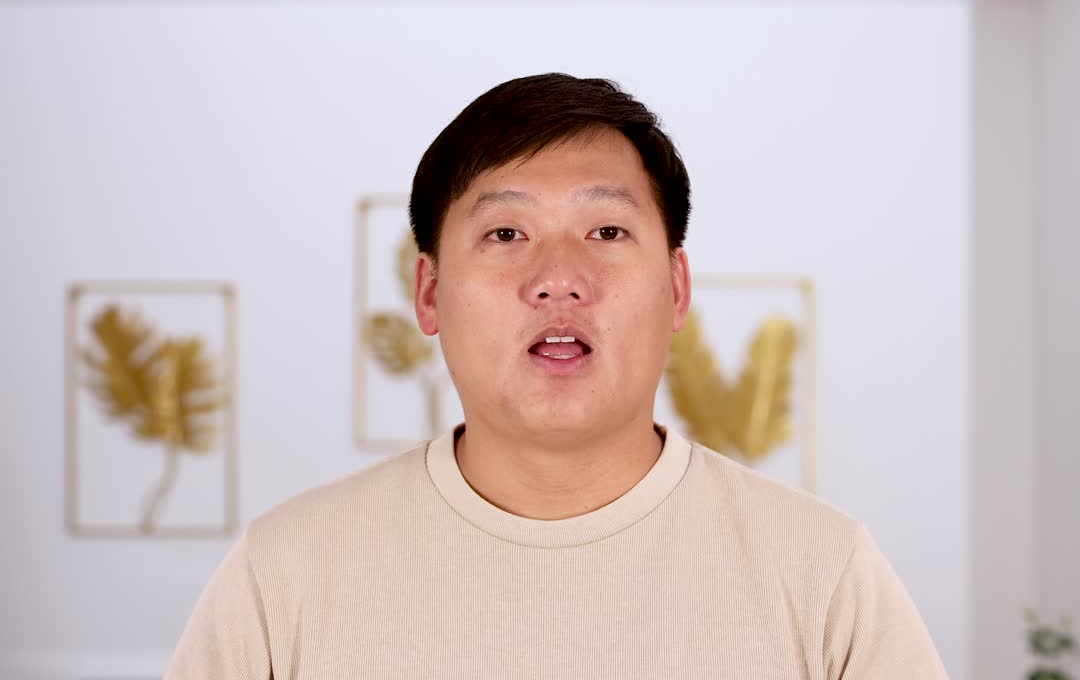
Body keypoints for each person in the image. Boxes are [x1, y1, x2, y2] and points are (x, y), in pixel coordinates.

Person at [166, 73, 947, 679]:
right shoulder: (284, 572)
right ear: (430, 292)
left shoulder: (823, 572)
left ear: (676, 288)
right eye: (506, 232)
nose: (558, 279)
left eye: (607, 230)